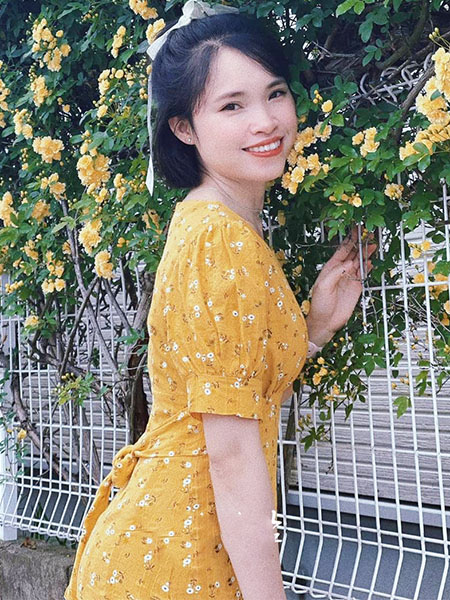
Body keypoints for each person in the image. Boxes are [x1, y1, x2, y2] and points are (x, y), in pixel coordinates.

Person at [64, 3, 377, 599]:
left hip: (173, 543)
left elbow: (231, 389)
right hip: (179, 560)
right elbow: (231, 454)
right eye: (232, 106)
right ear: (184, 127)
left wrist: (312, 329)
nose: (266, 121)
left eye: (275, 93)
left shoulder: (211, 222)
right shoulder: (219, 239)